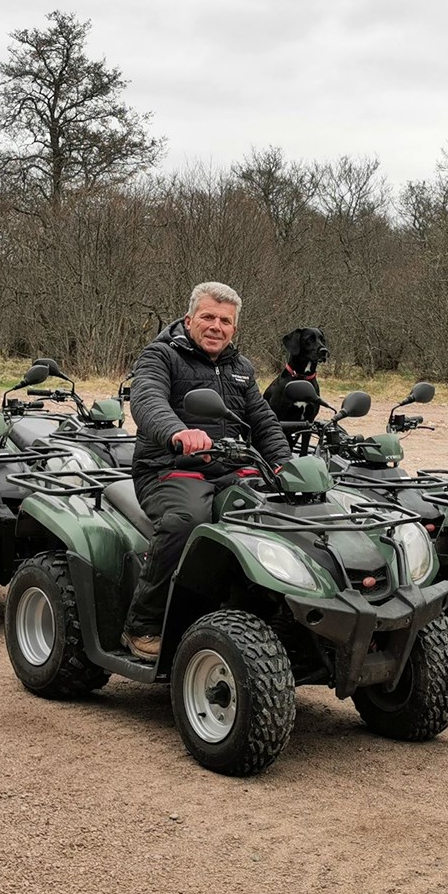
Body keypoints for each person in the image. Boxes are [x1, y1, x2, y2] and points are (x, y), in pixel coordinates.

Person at [121, 281, 292, 660]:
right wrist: (178, 432)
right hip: (169, 468)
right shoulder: (160, 356)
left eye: (225, 321)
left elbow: (263, 422)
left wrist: (284, 464)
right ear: (189, 319)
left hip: (230, 470)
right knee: (187, 521)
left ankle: (268, 614)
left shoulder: (241, 368)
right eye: (208, 317)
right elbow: (147, 399)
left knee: (280, 516)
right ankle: (143, 624)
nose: (217, 326)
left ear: (234, 328)